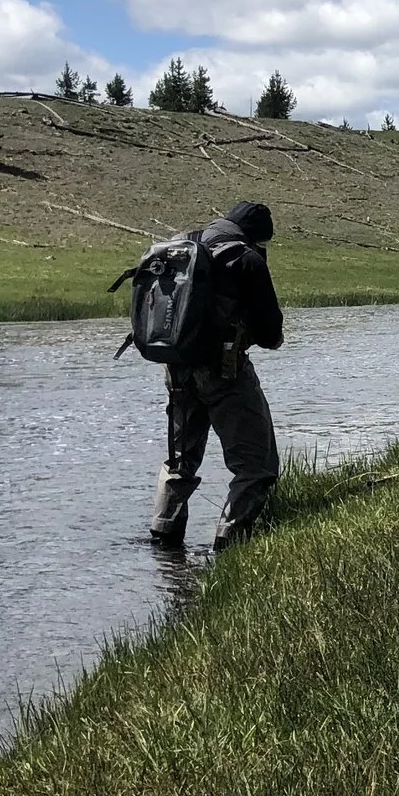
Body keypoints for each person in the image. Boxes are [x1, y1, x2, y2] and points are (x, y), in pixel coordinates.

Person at [150, 200, 284, 550]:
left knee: (180, 462)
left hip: (176, 371)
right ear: (256, 238)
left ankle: (164, 541)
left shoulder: (181, 246)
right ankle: (230, 542)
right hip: (225, 373)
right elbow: (271, 335)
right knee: (257, 466)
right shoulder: (247, 260)